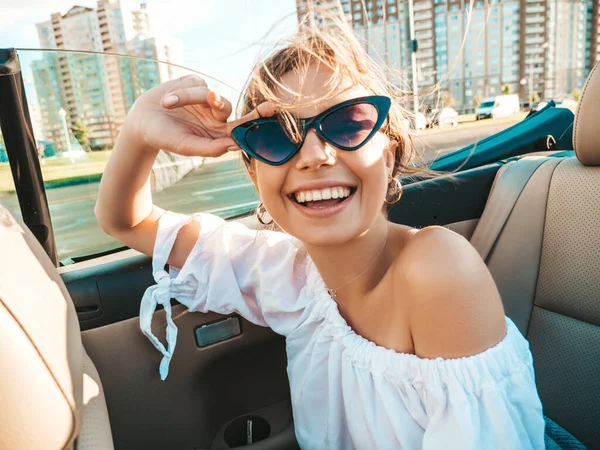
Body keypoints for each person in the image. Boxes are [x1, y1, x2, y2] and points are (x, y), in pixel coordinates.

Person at [95, 18, 545, 450]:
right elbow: (127, 221)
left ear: (389, 156)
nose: (314, 155)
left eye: (348, 123)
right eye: (277, 134)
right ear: (256, 177)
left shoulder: (438, 270)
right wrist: (139, 132)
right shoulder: (285, 274)